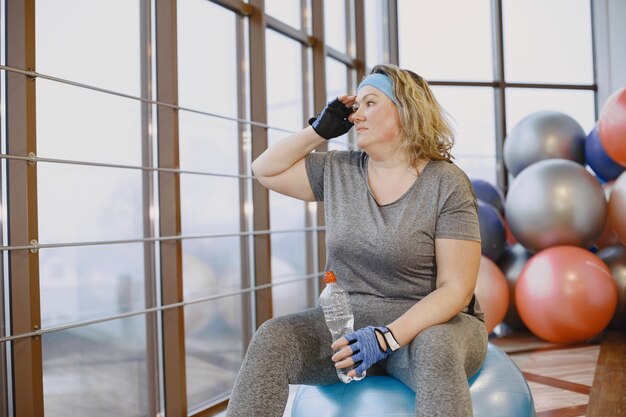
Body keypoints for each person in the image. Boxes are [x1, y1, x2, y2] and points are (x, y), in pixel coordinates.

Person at [225, 64, 488, 417]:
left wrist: (385, 338)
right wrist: (317, 131)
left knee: (437, 346)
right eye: (354, 107)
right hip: (349, 329)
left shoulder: (447, 183)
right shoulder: (338, 169)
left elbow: (456, 288)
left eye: (370, 103)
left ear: (406, 111)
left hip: (430, 326)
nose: (355, 116)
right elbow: (264, 169)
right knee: (273, 337)